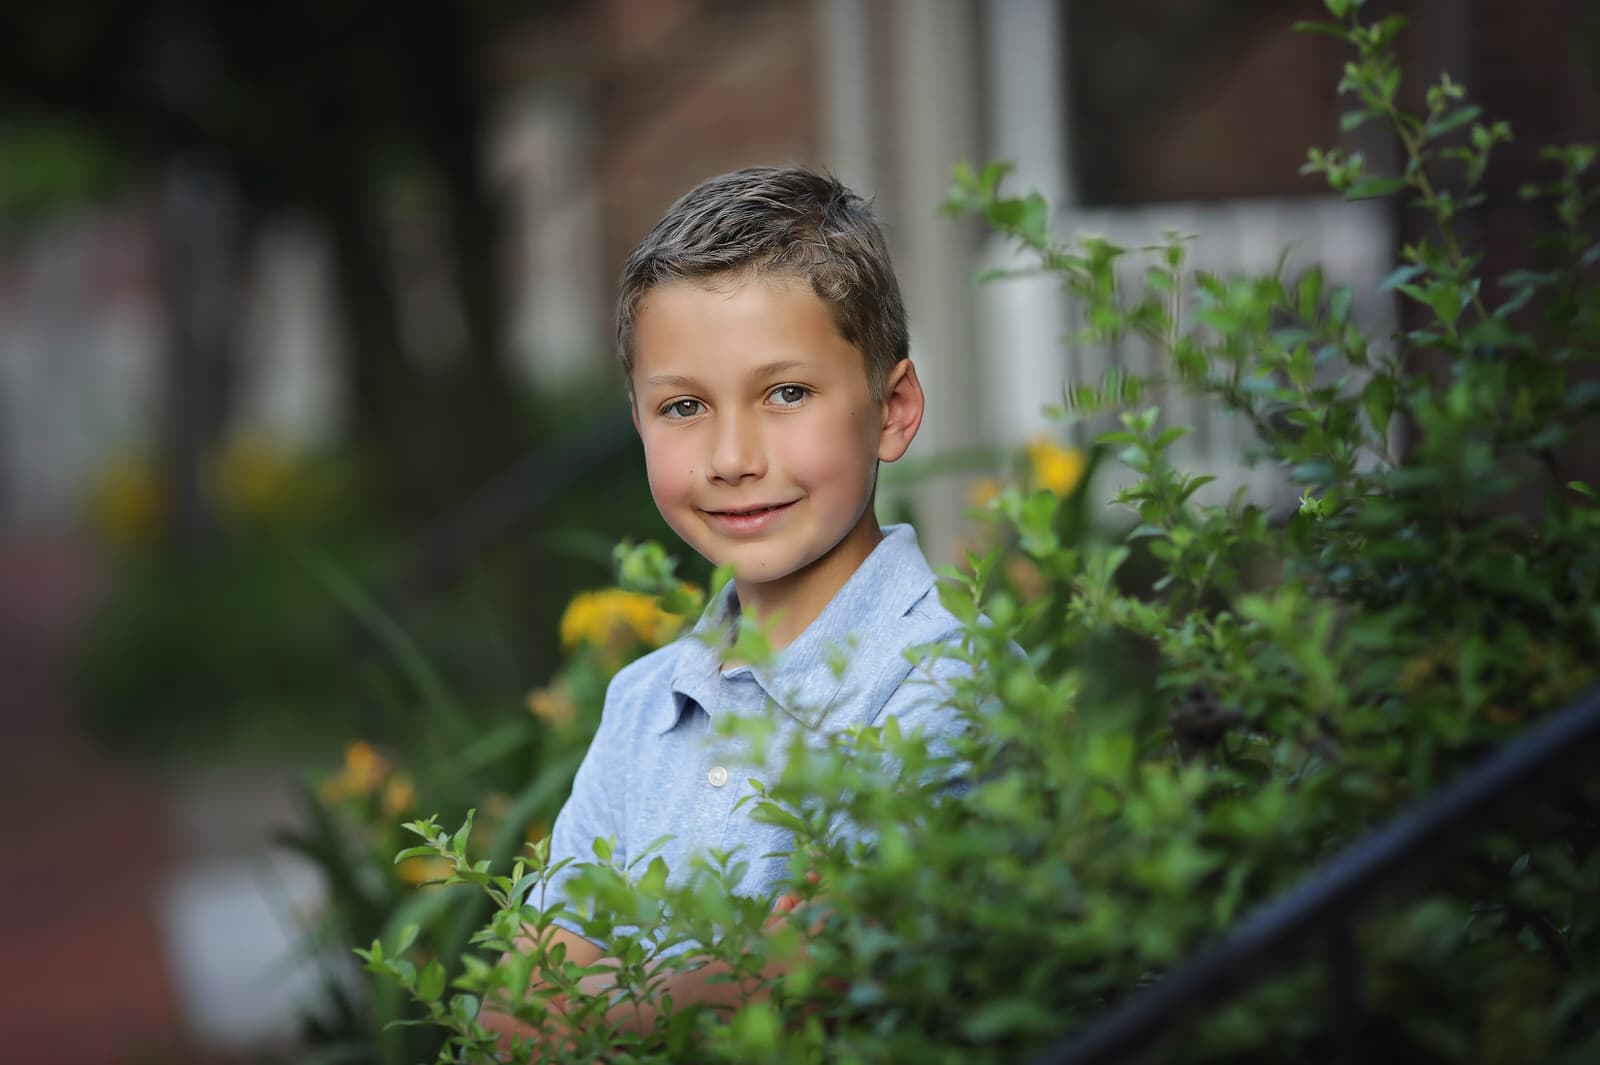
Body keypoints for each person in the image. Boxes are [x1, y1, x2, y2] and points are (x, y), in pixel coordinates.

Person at [484, 165, 971, 1050]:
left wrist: (601, 1005)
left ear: (892, 409)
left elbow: (833, 988)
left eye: (786, 392)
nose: (733, 456)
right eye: (683, 406)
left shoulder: (941, 688)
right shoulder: (641, 704)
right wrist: (715, 982)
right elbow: (509, 1014)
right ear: (636, 421)